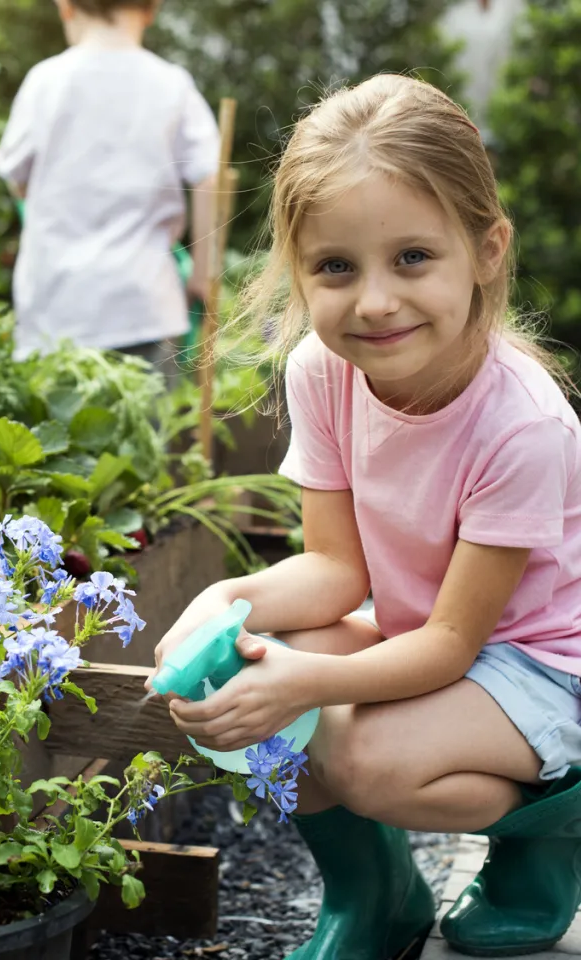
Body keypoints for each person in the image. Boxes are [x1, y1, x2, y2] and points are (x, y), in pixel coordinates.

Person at [148, 73, 581, 959]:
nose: (375, 301)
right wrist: (223, 605)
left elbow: (454, 646)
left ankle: (548, 839)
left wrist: (305, 686)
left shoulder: (524, 426)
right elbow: (335, 572)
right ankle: (373, 896)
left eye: (413, 257)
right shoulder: (322, 370)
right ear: (300, 272)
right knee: (236, 684)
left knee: (355, 758)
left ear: (488, 249)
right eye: (337, 267)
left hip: (547, 661)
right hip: (419, 632)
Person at [0, 0, 219, 375]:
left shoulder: (45, 80)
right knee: (145, 430)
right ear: (151, 8)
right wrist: (203, 272)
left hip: (56, 306)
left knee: (57, 433)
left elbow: (17, 177)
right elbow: (209, 177)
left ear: (65, 6)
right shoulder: (172, 83)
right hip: (146, 303)